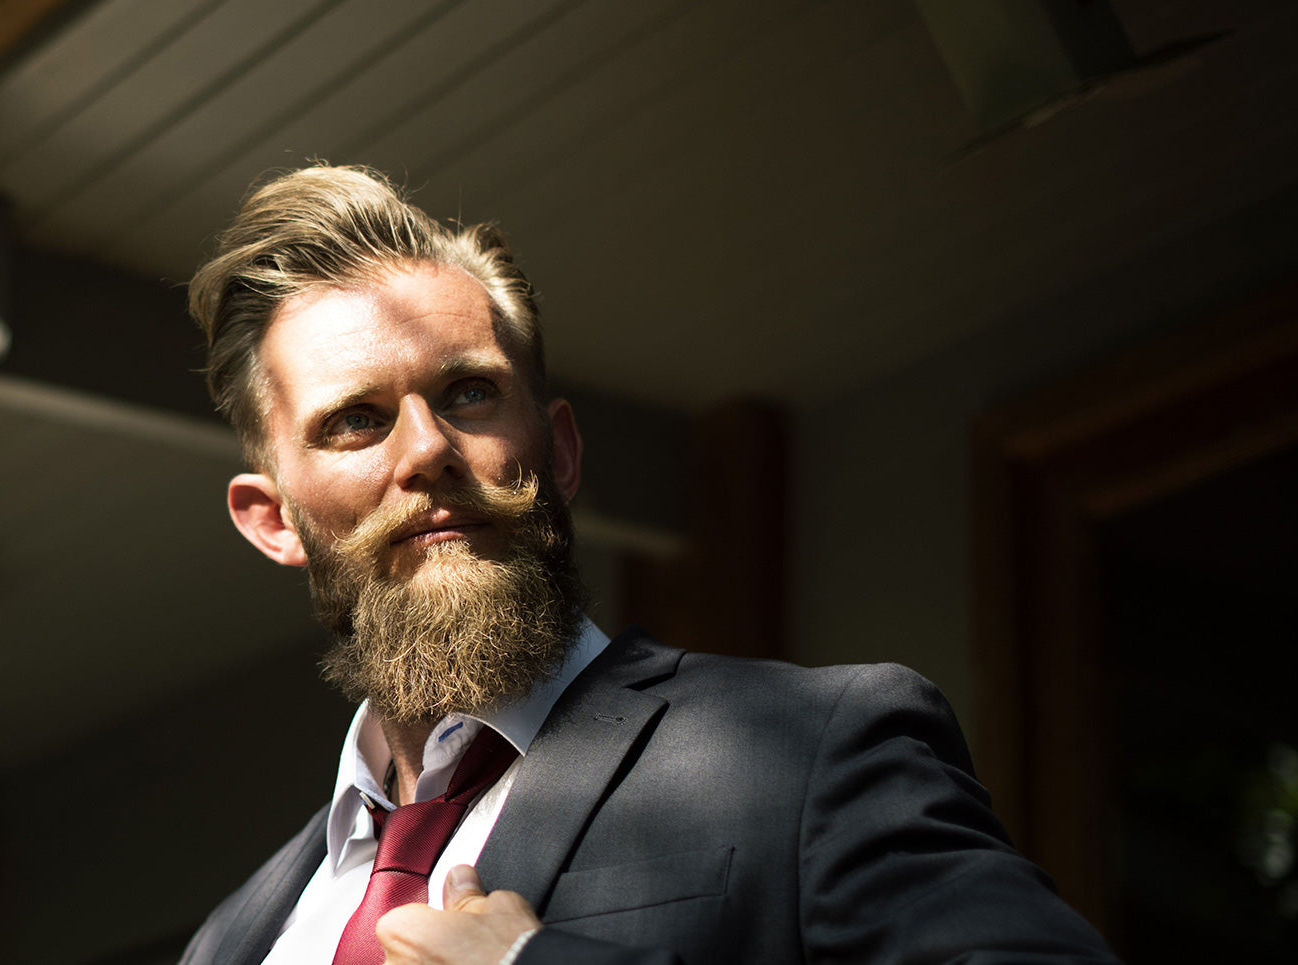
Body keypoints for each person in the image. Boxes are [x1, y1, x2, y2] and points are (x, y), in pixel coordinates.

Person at [179, 164, 1120, 965]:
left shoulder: (818, 751)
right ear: (274, 520)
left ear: (560, 453)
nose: (427, 448)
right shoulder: (227, 942)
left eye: (468, 393)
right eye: (356, 420)